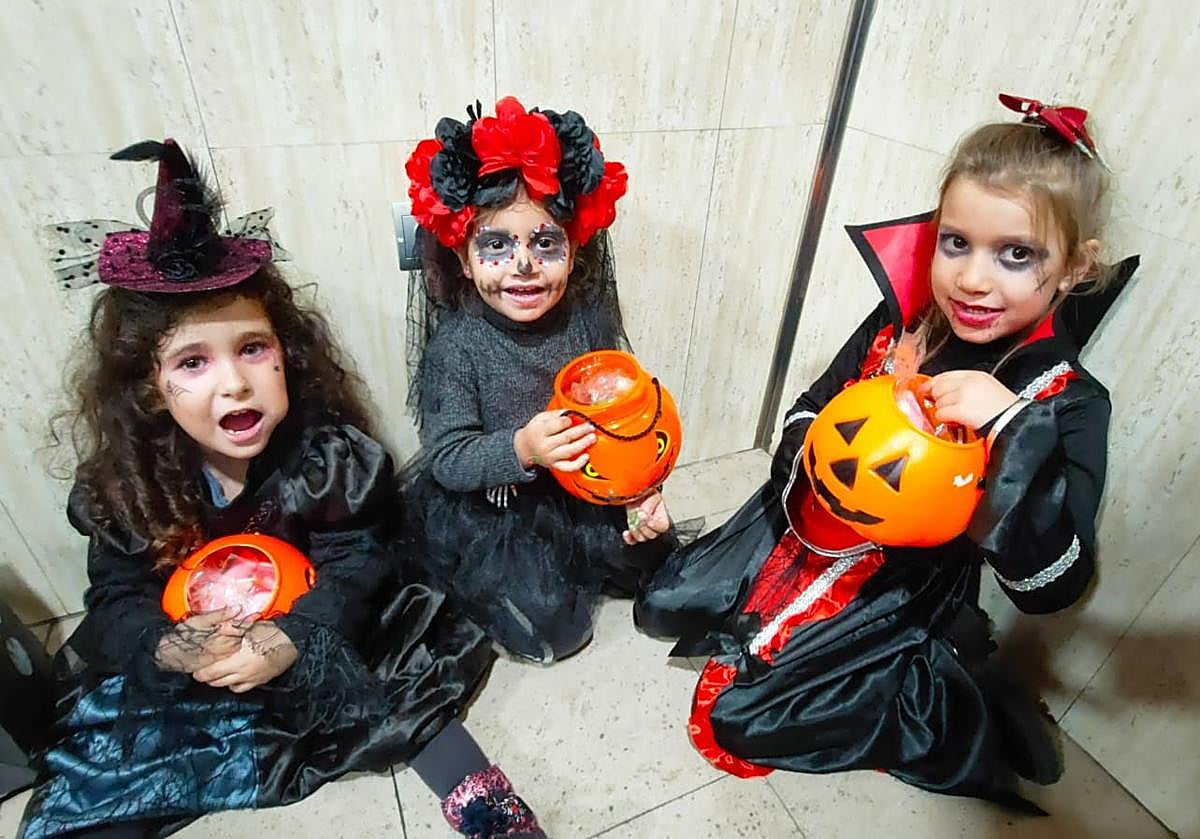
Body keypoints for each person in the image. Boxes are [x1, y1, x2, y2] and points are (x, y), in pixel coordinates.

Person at [21, 140, 542, 839]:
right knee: (113, 766)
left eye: (252, 349)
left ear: (286, 354)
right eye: (193, 362)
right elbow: (115, 598)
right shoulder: (127, 484)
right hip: (201, 655)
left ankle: (487, 807)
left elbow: (359, 558)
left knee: (406, 676)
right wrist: (171, 647)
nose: (234, 382)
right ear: (148, 383)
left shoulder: (327, 457)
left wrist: (300, 634)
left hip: (313, 625)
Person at [636, 94, 1138, 810]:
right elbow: (815, 402)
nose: (972, 278)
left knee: (741, 718)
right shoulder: (907, 319)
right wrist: (815, 446)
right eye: (956, 242)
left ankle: (922, 699)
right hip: (809, 519)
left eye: (1016, 255)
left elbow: (1054, 583)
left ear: (1075, 267)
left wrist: (1009, 434)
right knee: (661, 603)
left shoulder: (1067, 399)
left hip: (899, 583)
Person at [404, 97, 674, 663]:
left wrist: (638, 490)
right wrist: (522, 447)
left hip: (583, 488)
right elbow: (449, 457)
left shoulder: (586, 322)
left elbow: (617, 408)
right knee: (557, 630)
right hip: (503, 506)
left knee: (654, 561)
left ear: (575, 251)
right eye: (496, 245)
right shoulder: (457, 347)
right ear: (462, 258)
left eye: (544, 243)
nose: (523, 264)